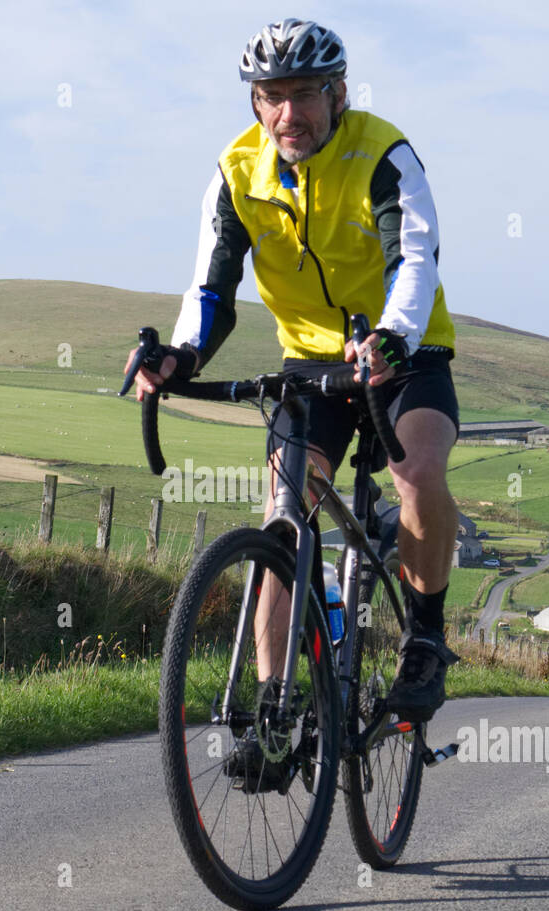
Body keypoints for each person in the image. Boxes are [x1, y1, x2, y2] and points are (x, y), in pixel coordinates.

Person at [129, 17, 460, 727]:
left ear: (338, 93)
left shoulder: (383, 154)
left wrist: (393, 340)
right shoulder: (236, 171)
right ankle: (273, 709)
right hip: (310, 365)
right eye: (271, 95)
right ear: (254, 102)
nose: (288, 113)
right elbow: (211, 290)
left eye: (305, 93)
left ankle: (425, 637)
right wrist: (178, 357)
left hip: (405, 352)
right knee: (283, 518)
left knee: (417, 472)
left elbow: (415, 261)